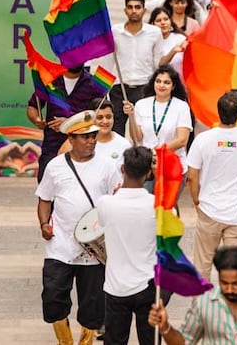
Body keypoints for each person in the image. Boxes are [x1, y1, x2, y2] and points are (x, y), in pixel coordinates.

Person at [35, 111, 121, 345]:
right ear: (71, 139)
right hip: (59, 245)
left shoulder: (106, 166)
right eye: (85, 137)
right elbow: (44, 199)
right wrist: (44, 224)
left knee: (92, 305)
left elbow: (117, 197)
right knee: (53, 297)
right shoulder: (55, 166)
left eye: (93, 135)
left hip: (93, 250)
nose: (91, 140)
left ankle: (85, 342)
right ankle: (65, 341)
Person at [148, 246, 237, 344]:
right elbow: (184, 342)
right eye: (224, 283)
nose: (229, 289)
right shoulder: (204, 304)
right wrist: (165, 327)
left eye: (236, 284)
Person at [186, 91, 237, 280]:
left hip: (209, 210)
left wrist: (196, 200)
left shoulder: (202, 140)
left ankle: (203, 306)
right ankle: (232, 305)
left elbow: (192, 176)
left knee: (202, 265)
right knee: (234, 269)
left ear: (218, 111)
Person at [95, 146, 159, 345]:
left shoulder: (105, 203)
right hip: (148, 285)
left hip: (116, 288)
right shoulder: (157, 205)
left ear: (122, 169)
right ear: (149, 173)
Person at [99, 0, 163, 136]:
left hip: (144, 87)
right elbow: (107, 61)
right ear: (125, 10)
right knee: (116, 130)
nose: (134, 10)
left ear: (144, 10)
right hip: (119, 87)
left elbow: (157, 62)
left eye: (137, 7)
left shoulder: (155, 32)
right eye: (130, 7)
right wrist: (101, 89)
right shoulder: (114, 31)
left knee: (144, 130)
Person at [27, 65, 100, 181]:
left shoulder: (94, 84)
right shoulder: (49, 80)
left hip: (82, 152)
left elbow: (98, 116)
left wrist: (70, 123)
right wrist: (36, 119)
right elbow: (33, 106)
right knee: (46, 194)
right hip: (51, 148)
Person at [124, 65, 192, 176]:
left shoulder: (181, 106)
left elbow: (182, 140)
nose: (161, 85)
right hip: (147, 167)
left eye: (166, 82)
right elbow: (137, 138)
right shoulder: (141, 104)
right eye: (158, 81)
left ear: (173, 86)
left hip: (172, 166)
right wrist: (131, 116)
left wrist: (155, 152)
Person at [149, 7, 187, 78]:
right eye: (158, 20)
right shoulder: (149, 41)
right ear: (152, 24)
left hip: (180, 82)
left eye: (166, 19)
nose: (163, 23)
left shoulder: (180, 38)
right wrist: (173, 51)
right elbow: (158, 65)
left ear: (171, 21)